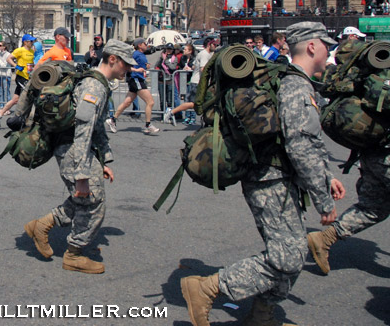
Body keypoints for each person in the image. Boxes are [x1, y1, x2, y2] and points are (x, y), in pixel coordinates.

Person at [180, 21, 346, 326]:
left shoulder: (288, 80)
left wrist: (327, 175)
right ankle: (208, 288)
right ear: (312, 46)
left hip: (276, 179)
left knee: (290, 254)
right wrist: (323, 199)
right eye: (326, 45)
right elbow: (301, 145)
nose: (329, 52)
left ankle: (262, 315)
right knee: (289, 256)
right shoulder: (295, 85)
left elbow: (306, 141)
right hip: (270, 181)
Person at [24, 40, 135, 274]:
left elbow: (97, 128)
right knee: (93, 200)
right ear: (112, 59)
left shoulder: (100, 83)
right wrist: (82, 174)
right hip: (72, 149)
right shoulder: (94, 86)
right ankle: (74, 254)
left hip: (76, 149)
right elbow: (84, 131)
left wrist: (103, 159)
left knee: (84, 198)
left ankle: (42, 226)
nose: (129, 69)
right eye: (126, 64)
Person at [307, 152, 389, 276]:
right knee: (374, 207)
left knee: (374, 207)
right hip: (385, 156)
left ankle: (325, 238)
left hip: (373, 155)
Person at [108, 38, 158, 135]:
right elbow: (126, 65)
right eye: (144, 43)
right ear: (139, 45)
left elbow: (141, 64)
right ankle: (148, 125)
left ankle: (112, 119)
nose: (146, 45)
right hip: (136, 79)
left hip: (138, 79)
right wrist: (137, 70)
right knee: (150, 102)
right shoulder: (135, 54)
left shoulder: (141, 54)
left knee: (127, 102)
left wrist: (146, 66)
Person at [0, 34, 36, 126]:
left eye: (33, 41)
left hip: (28, 77)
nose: (32, 43)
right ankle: (24, 118)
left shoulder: (32, 51)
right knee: (29, 96)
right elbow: (9, 59)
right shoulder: (20, 50)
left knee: (15, 100)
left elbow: (31, 63)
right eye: (31, 41)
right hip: (21, 77)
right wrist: (16, 66)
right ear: (25, 42)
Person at [164, 43, 197, 125]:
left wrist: (190, 68)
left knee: (192, 99)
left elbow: (195, 68)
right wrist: (183, 68)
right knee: (186, 99)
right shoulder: (183, 58)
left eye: (185, 49)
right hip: (184, 80)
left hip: (191, 80)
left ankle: (193, 117)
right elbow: (179, 67)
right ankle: (187, 117)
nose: (184, 51)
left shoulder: (194, 59)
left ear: (190, 51)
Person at [0, 42, 12, 108]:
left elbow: (4, 66)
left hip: (6, 75)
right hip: (0, 75)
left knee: (6, 92)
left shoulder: (8, 54)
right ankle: (1, 106)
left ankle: (7, 107)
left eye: (0, 45)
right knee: (0, 92)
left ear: (4, 47)